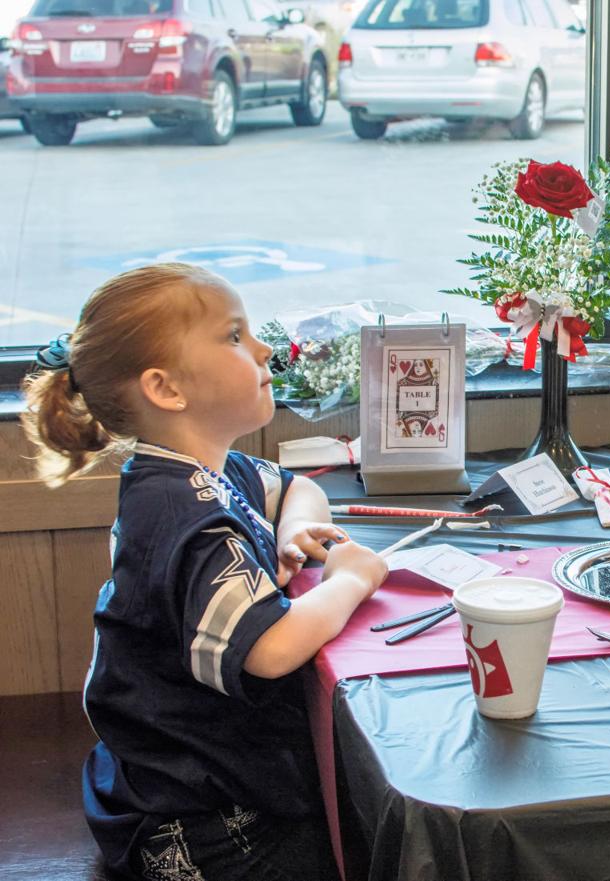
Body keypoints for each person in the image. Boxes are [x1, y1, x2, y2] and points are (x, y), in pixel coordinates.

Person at [21, 263, 389, 881]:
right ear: (167, 389)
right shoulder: (184, 516)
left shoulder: (201, 471)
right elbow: (270, 650)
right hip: (195, 817)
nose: (265, 346)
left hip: (180, 769)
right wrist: (351, 581)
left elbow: (295, 486)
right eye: (235, 336)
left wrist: (292, 528)